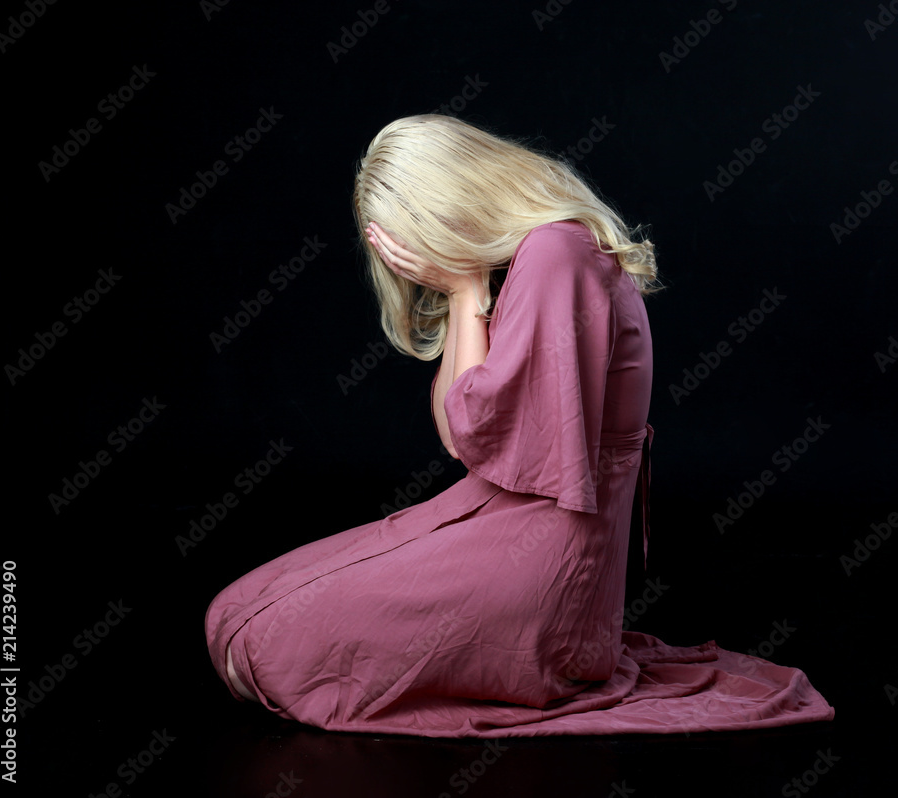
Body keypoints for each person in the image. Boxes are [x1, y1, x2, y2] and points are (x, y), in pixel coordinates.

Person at [204, 114, 835, 737]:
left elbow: (479, 434)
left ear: (454, 199)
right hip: (501, 524)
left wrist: (459, 283)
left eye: (420, 233)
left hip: (544, 567)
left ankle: (551, 653)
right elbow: (460, 438)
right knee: (234, 613)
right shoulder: (526, 258)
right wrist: (464, 292)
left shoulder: (555, 252)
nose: (416, 261)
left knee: (260, 647)